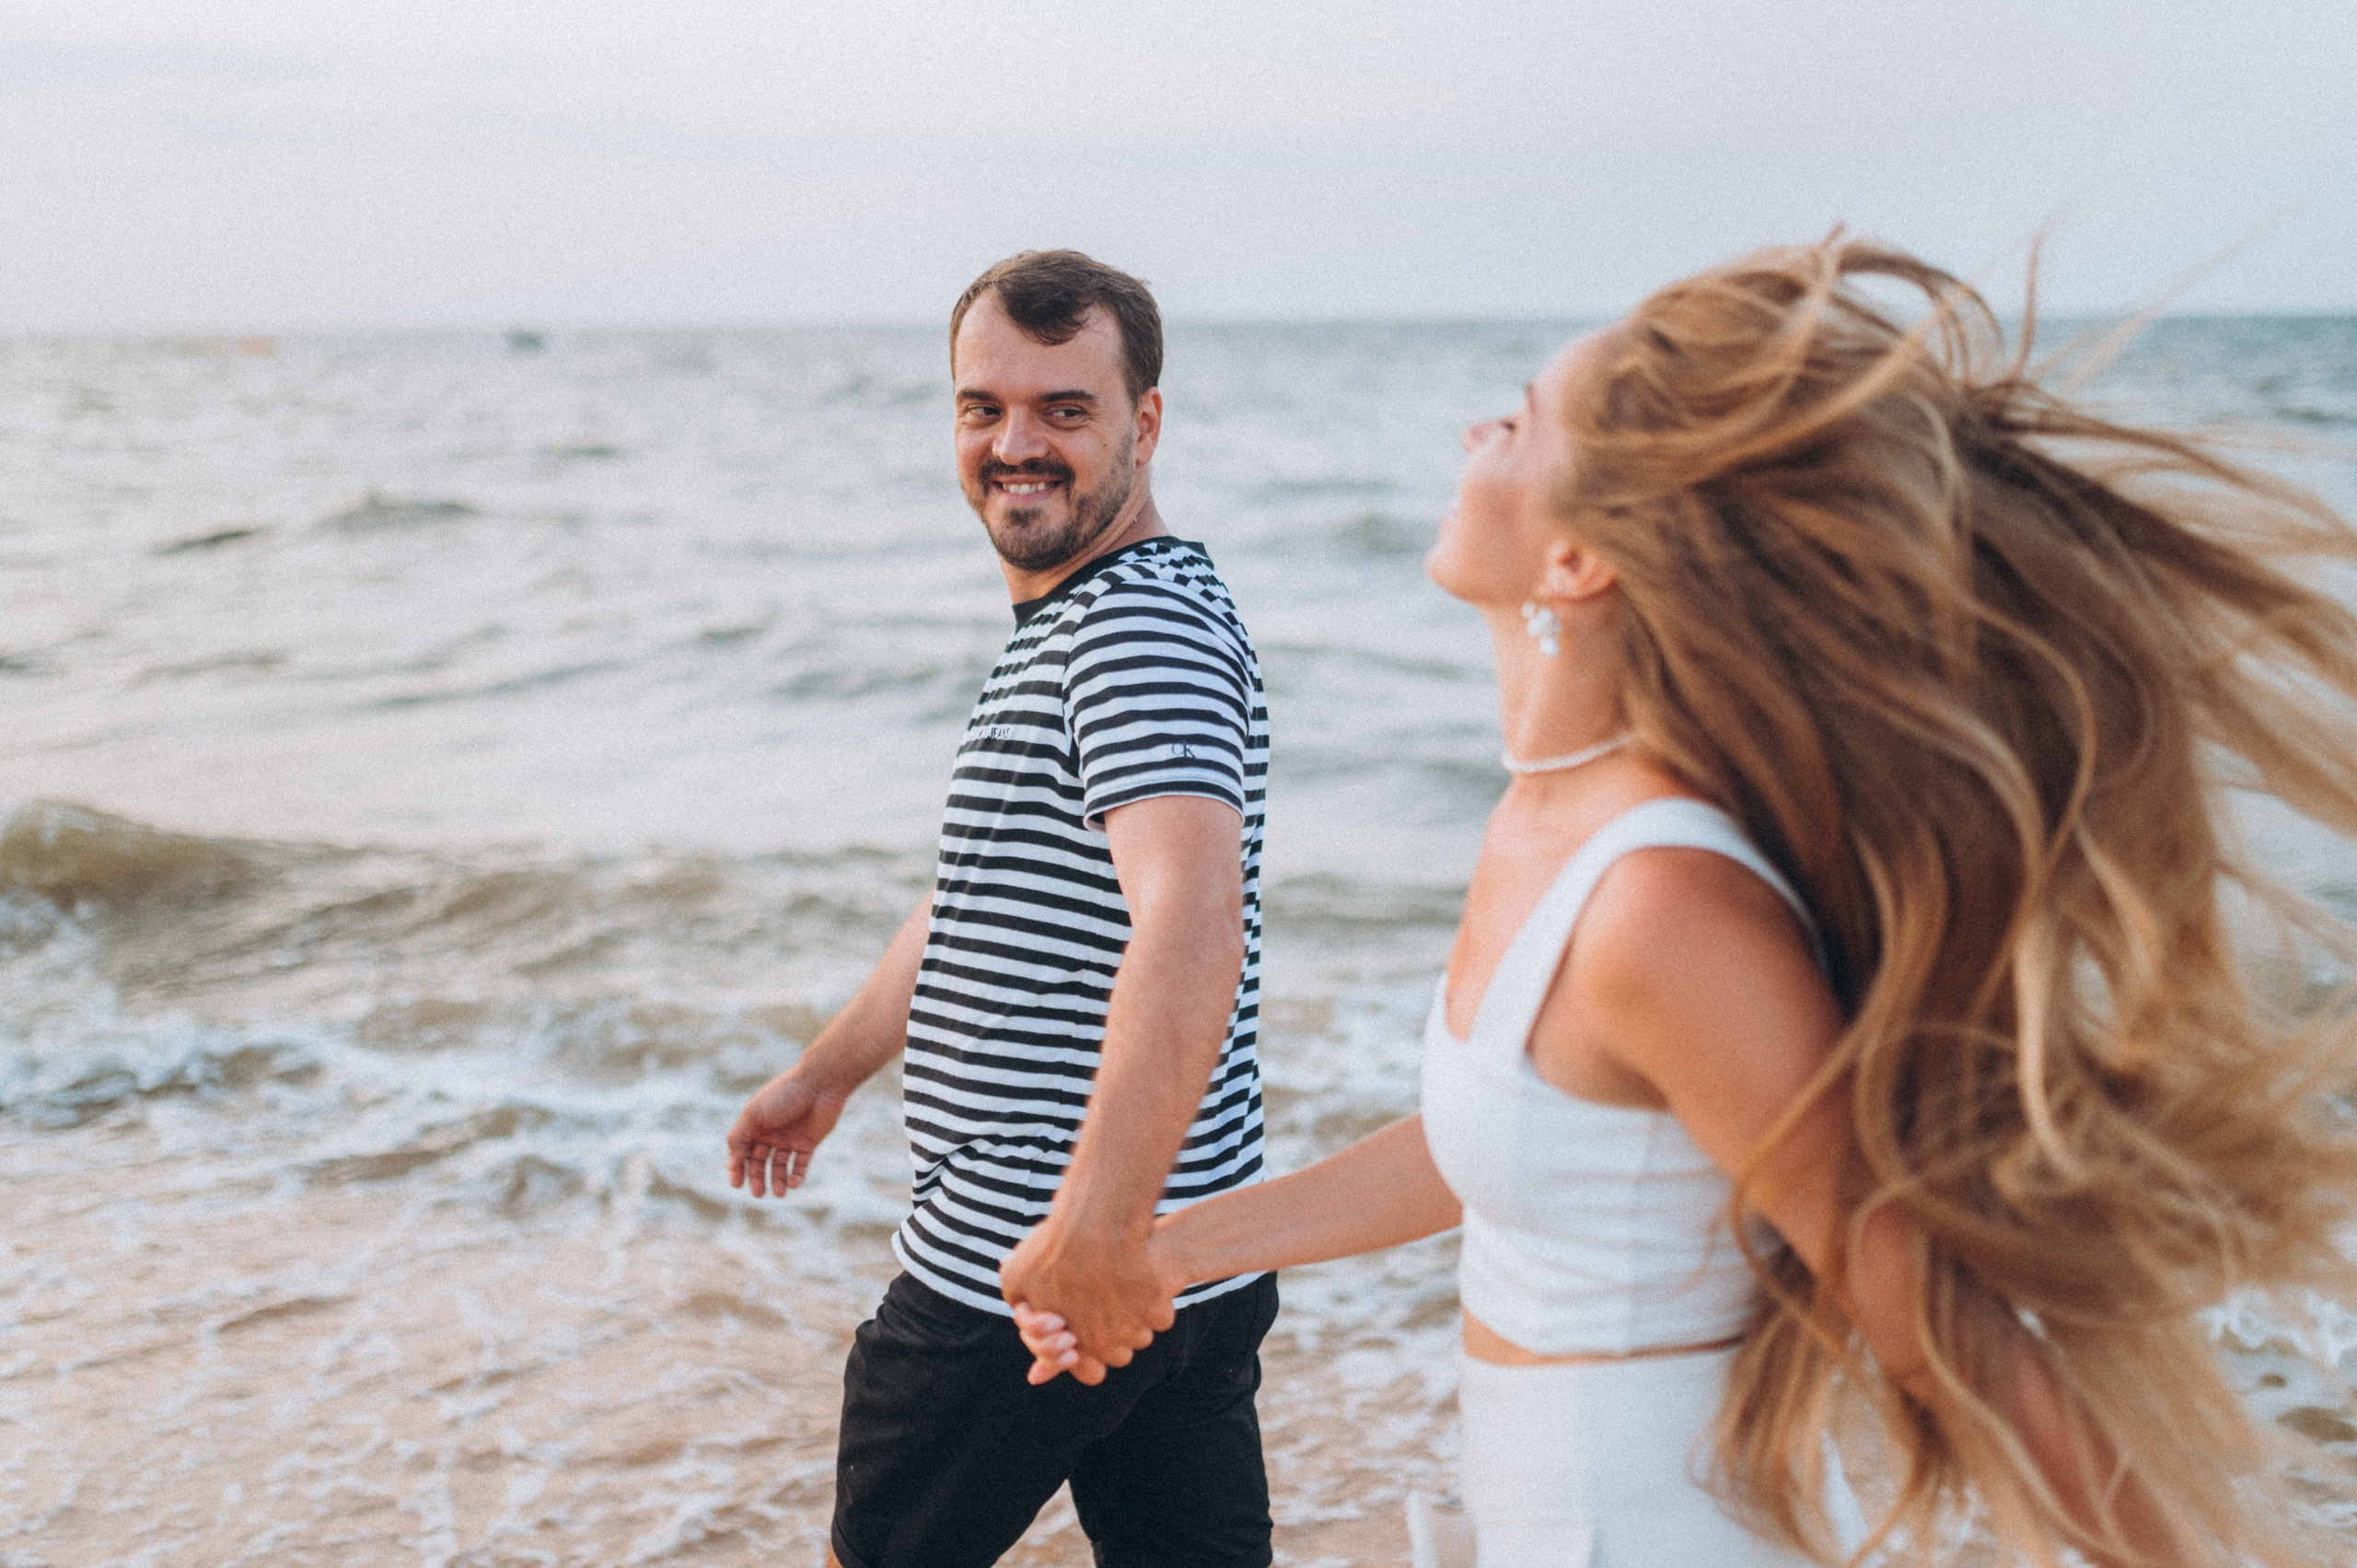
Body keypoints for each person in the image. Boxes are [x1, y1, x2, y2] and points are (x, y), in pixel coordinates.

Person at [1016, 238, 2357, 1566]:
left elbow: (1928, 1312)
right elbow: (1498, 1143)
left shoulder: (1659, 903)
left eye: (1525, 421)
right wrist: (1167, 1250)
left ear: (1579, 563)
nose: (1481, 425)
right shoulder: (1549, 823)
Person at [726, 250, 1277, 1568]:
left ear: (1144, 422)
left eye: (1064, 412)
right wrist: (828, 1074)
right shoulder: (1107, 617)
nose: (1016, 445)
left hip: (1027, 1273)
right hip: (1174, 1262)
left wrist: (1093, 1225)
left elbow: (1190, 918)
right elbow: (977, 901)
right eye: (984, 408)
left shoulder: (1131, 633)